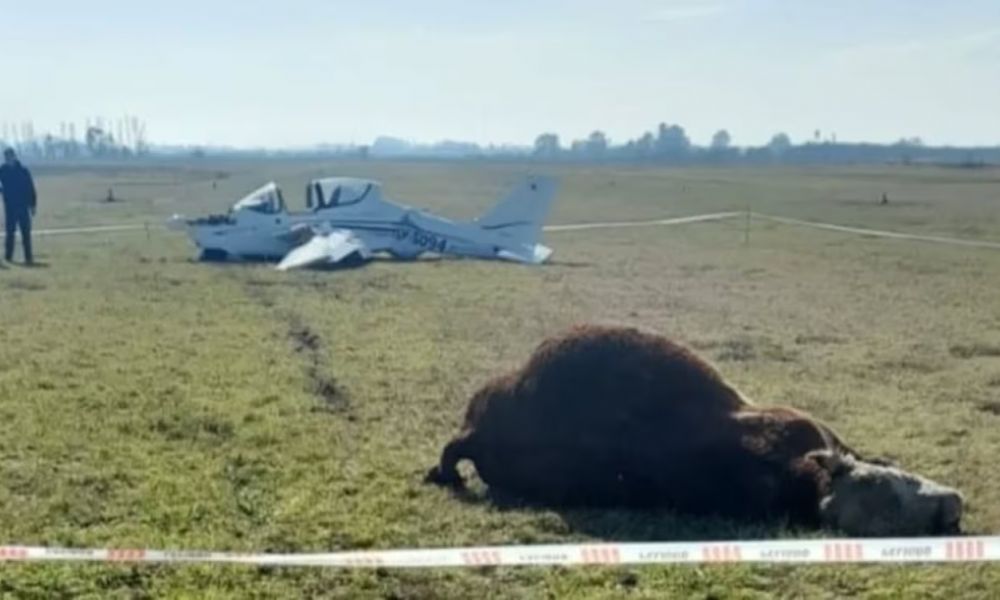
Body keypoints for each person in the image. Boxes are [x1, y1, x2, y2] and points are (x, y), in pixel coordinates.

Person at [0, 148, 36, 264]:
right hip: (10, 207)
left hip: (23, 206)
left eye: (10, 156)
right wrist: (3, 191)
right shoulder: (3, 170)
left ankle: (28, 257)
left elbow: (30, 188)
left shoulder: (23, 171)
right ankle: (8, 257)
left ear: (14, 156)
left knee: (25, 233)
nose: (8, 159)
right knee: (10, 233)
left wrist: (33, 205)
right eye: (6, 157)